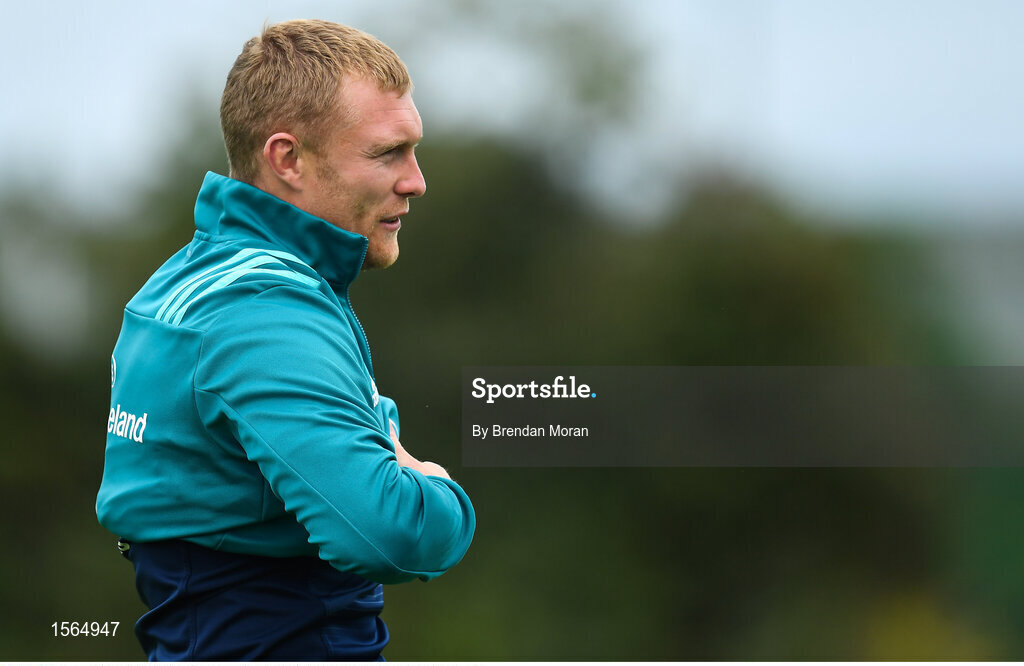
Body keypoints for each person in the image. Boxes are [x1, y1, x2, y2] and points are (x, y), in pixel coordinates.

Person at [96, 20, 475, 661]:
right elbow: (391, 532)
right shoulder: (264, 306)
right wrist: (436, 490)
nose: (416, 180)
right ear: (287, 159)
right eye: (388, 152)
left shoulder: (181, 283)